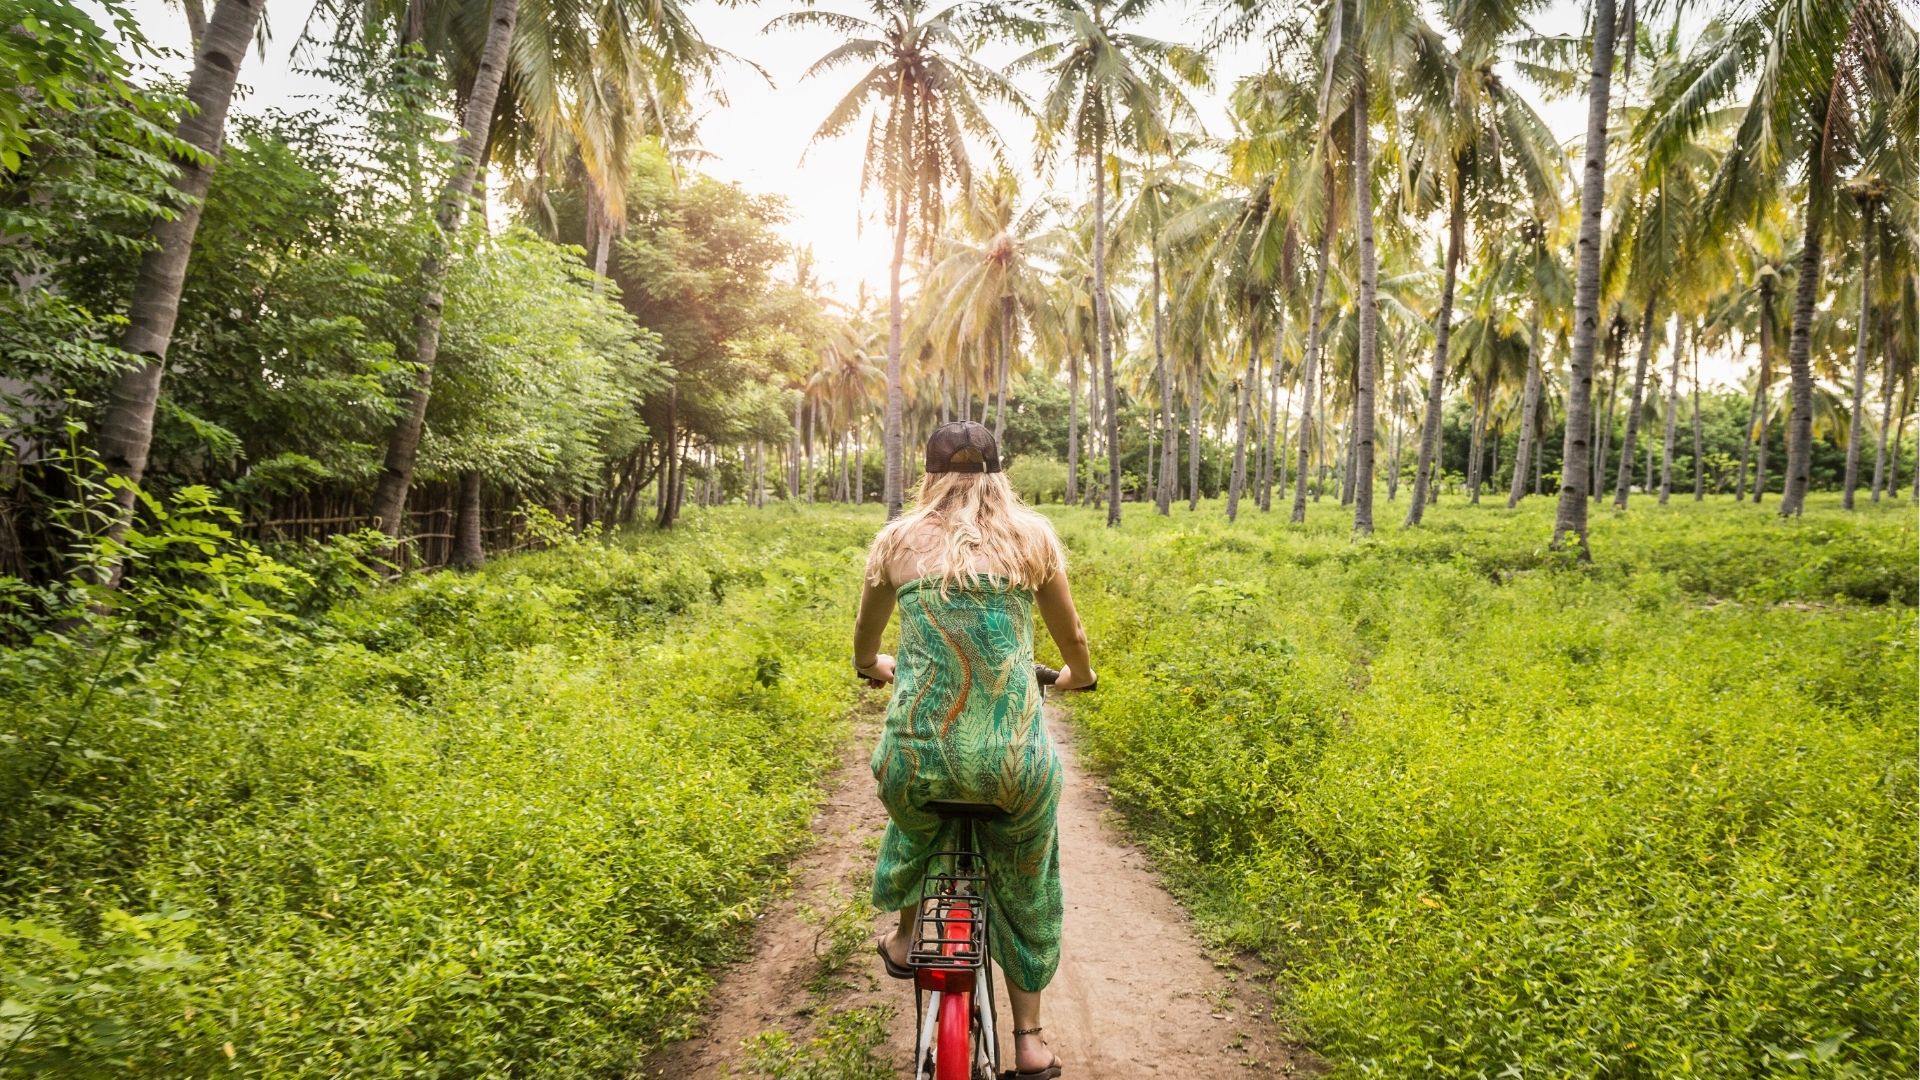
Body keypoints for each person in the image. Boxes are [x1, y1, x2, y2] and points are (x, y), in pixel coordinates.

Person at [852, 421, 1095, 1080]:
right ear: (998, 472)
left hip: (915, 758)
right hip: (1011, 763)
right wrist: (1077, 676)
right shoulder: (1031, 538)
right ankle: (1031, 1040)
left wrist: (876, 665)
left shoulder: (896, 542)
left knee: (913, 826)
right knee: (1026, 880)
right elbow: (1071, 637)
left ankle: (906, 940)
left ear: (928, 474)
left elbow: (865, 642)